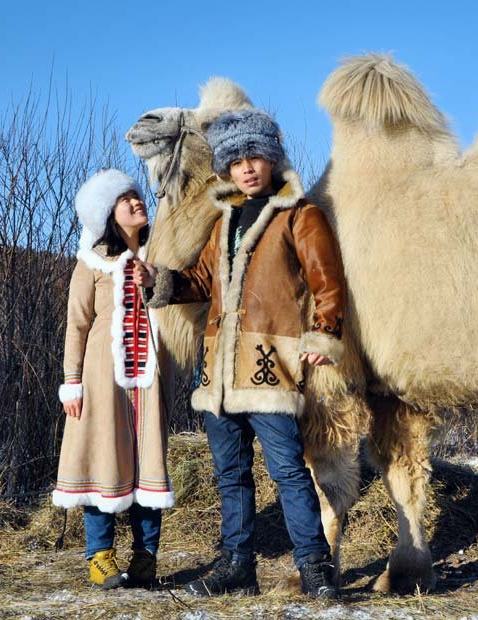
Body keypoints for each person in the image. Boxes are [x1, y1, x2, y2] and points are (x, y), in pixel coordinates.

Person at [134, 109, 346, 599]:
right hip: (219, 371)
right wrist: (160, 281)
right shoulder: (225, 219)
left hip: (268, 367)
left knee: (288, 471)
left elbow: (327, 280)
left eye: (255, 157)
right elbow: (202, 282)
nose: (246, 168)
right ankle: (237, 567)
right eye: (235, 161)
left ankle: (315, 568)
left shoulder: (299, 214)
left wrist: (323, 333)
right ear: (226, 168)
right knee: (230, 474)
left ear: (271, 159)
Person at [54, 169, 174, 589]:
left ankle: (145, 556)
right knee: (102, 458)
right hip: (102, 379)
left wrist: (157, 279)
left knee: (148, 462)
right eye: (125, 199)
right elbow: (76, 325)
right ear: (108, 213)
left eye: (136, 196)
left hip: (150, 378)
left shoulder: (162, 255)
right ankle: (100, 557)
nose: (137, 202)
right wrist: (72, 382)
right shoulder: (91, 262)